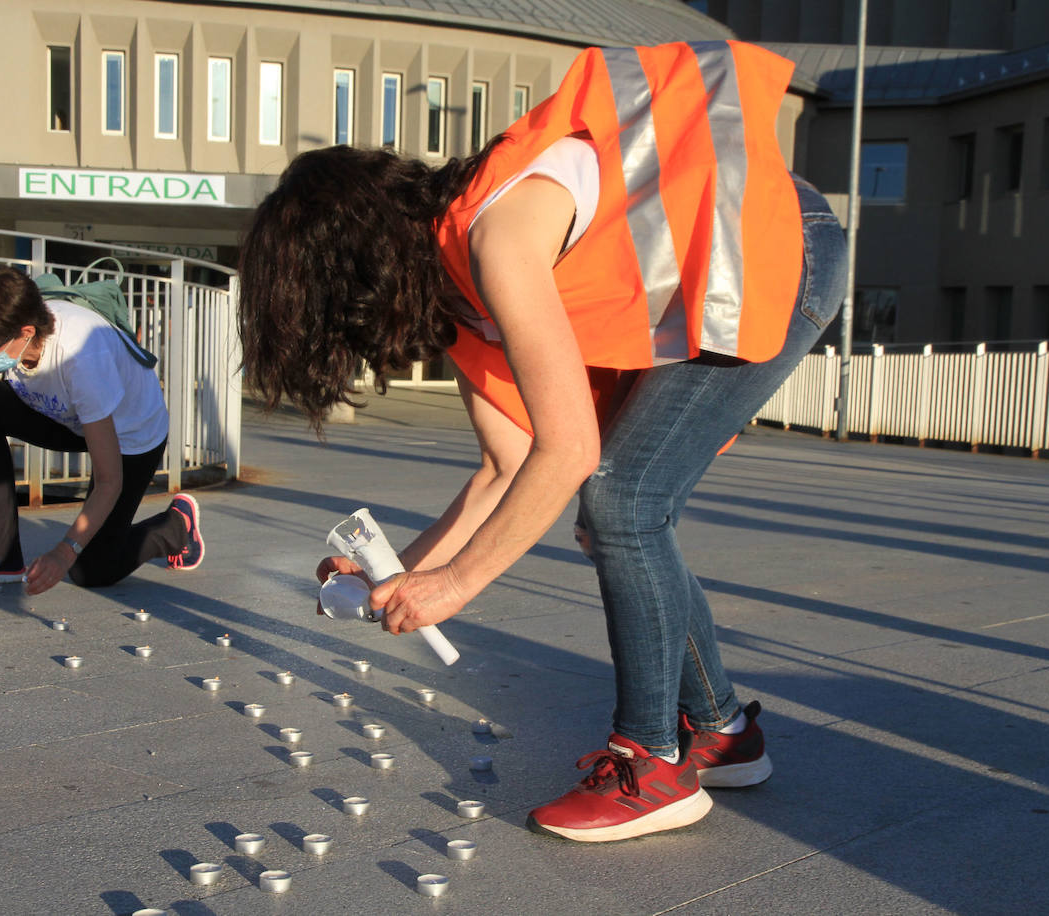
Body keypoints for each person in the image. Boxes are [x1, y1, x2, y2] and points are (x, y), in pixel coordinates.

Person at [238, 40, 845, 842]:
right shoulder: (458, 291)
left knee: (622, 501)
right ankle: (724, 731)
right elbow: (507, 463)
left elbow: (569, 453)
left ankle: (651, 762)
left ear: (362, 271)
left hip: (775, 245)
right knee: (620, 514)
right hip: (718, 261)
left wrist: (454, 587)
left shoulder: (497, 235)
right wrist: (402, 572)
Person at [0, 266, 205, 595]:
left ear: (26, 331)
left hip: (130, 433)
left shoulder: (81, 357)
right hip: (66, 416)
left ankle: (174, 527)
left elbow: (110, 482)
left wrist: (64, 552)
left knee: (91, 568)